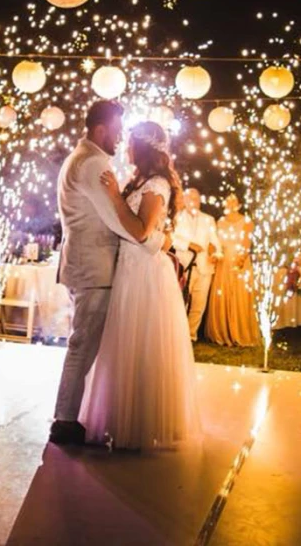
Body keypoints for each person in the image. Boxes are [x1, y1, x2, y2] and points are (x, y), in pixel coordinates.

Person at [50, 102, 167, 446]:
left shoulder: (77, 157)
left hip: (83, 264)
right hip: (94, 267)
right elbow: (122, 224)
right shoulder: (94, 162)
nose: (119, 139)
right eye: (116, 131)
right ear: (101, 129)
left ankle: (72, 413)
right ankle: (65, 421)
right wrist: (159, 240)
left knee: (83, 345)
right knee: (82, 346)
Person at [80, 121, 200, 450]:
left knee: (142, 343)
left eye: (132, 143)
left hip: (146, 273)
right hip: (131, 268)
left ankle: (142, 424)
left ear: (144, 148)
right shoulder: (143, 181)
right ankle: (124, 420)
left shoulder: (157, 184)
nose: (127, 147)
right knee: (126, 344)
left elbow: (141, 231)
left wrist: (115, 197)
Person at [205, 193, 259, 346]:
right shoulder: (220, 222)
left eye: (233, 201)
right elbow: (213, 243)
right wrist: (213, 253)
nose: (230, 204)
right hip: (223, 263)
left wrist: (240, 260)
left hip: (239, 262)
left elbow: (247, 244)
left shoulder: (246, 221)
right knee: (223, 295)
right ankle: (222, 332)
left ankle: (239, 332)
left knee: (239, 296)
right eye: (228, 201)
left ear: (240, 205)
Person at [173, 188, 222, 341]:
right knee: (182, 303)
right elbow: (172, 239)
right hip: (185, 266)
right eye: (190, 198)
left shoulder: (209, 219)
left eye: (196, 198)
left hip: (204, 268)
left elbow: (216, 242)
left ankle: (191, 336)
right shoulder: (176, 217)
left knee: (199, 305)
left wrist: (216, 254)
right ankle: (178, 336)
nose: (194, 201)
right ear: (185, 201)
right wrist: (189, 244)